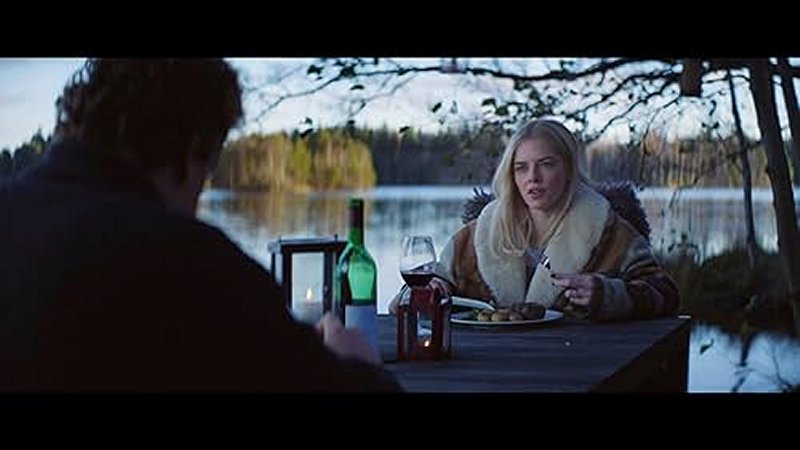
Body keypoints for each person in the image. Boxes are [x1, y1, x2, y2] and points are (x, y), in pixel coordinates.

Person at [0, 59, 401, 392]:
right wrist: (359, 365)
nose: (198, 199)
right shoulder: (189, 261)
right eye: (208, 170)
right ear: (192, 146)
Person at [390, 118, 679, 321]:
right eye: (521, 168)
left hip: (582, 370)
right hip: (486, 372)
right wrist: (434, 291)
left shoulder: (609, 231)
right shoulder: (478, 235)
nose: (533, 178)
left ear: (568, 169)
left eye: (546, 165)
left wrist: (608, 295)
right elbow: (414, 296)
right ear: (511, 175)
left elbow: (666, 295)